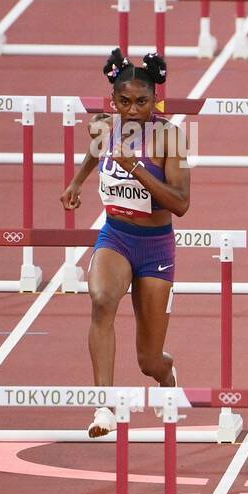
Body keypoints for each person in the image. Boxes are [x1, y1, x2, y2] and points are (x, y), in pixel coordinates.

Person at [60, 49, 190, 438]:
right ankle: (104, 406)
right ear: (112, 100)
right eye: (124, 101)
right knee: (101, 302)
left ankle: (167, 374)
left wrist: (134, 165)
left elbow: (180, 204)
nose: (132, 110)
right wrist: (77, 181)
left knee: (148, 360)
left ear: (156, 100)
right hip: (116, 236)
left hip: (155, 248)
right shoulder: (106, 128)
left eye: (142, 102)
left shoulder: (169, 136)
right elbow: (96, 153)